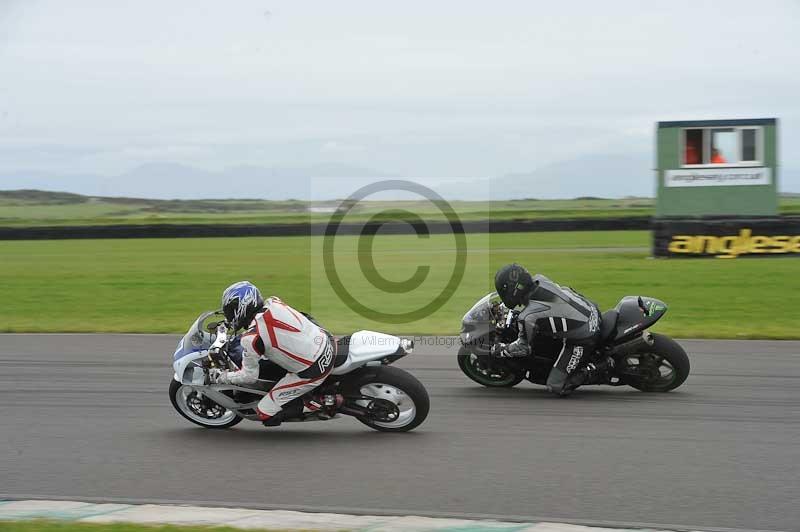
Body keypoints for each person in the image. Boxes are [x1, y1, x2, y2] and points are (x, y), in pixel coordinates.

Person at [208, 281, 335, 426]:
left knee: (265, 413)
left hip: (314, 368)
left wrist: (221, 377)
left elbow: (249, 377)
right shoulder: (274, 302)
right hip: (326, 340)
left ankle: (316, 404)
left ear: (242, 307)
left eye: (231, 311)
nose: (229, 315)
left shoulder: (251, 338)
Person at [491, 264, 613, 396]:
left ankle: (600, 366)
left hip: (585, 336)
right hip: (591, 309)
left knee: (556, 386)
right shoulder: (540, 279)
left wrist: (502, 350)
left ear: (513, 290)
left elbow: (523, 348)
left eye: (504, 290)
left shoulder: (528, 317)